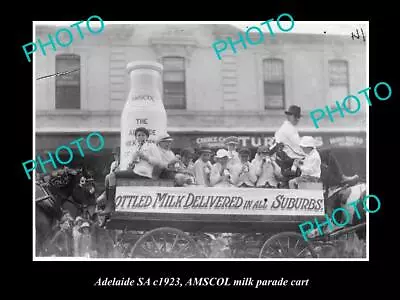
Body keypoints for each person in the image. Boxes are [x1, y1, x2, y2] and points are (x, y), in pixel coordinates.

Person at [275, 105, 359, 185]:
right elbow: (300, 146)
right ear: (289, 116)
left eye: (298, 117)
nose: (297, 119)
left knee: (320, 160)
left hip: (294, 156)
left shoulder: (284, 128)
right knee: (327, 154)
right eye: (296, 117)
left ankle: (337, 180)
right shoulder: (289, 129)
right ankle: (341, 178)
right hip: (296, 157)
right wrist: (312, 149)